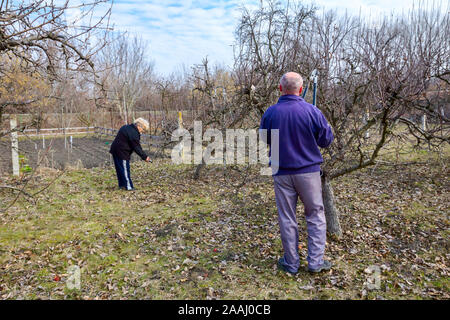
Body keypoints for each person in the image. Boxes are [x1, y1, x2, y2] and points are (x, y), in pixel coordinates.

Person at [260, 72, 334, 274]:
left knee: (287, 217)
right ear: (300, 90)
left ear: (280, 88)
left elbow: (265, 139)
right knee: (316, 216)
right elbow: (326, 140)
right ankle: (315, 263)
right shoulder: (312, 111)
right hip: (308, 173)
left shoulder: (270, 113)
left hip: (281, 172)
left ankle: (291, 264)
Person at [109, 118, 151, 191]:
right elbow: (137, 147)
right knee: (125, 170)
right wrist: (145, 157)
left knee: (120, 169)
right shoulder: (133, 133)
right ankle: (129, 187)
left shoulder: (126, 127)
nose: (142, 132)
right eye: (143, 129)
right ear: (139, 126)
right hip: (122, 152)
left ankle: (122, 185)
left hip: (115, 150)